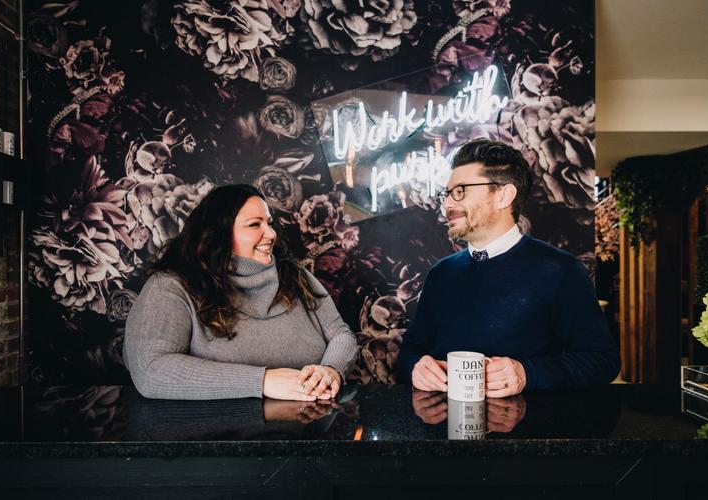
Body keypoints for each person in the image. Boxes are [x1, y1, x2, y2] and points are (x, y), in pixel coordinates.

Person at [397, 138, 620, 397]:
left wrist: (527, 373)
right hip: (445, 430)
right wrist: (416, 366)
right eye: (447, 194)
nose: (447, 204)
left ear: (504, 195)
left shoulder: (561, 270)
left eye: (460, 191)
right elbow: (411, 349)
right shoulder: (441, 273)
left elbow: (603, 361)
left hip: (531, 432)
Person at [124, 184, 358, 401]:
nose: (271, 233)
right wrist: (262, 381)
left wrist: (331, 370)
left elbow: (340, 334)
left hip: (310, 430)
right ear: (218, 233)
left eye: (269, 223)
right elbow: (151, 370)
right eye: (255, 225)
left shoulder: (294, 274)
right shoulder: (170, 288)